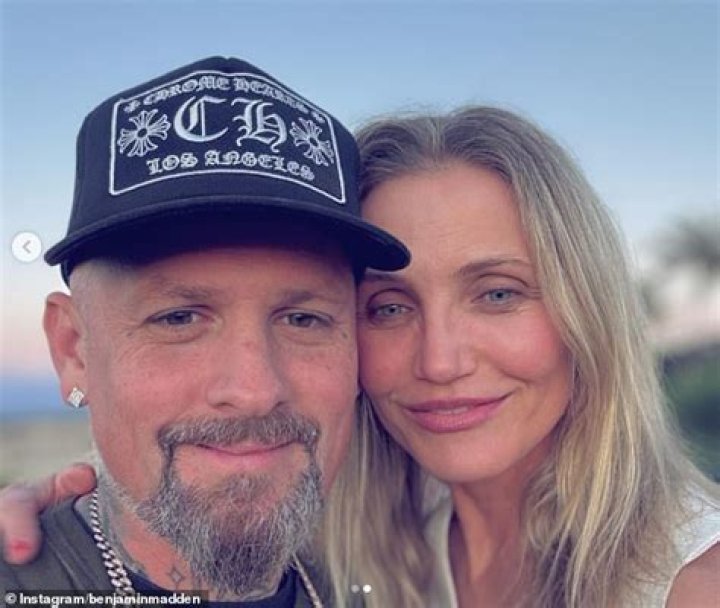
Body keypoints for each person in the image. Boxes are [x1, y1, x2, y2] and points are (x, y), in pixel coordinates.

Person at [3, 107, 720, 607]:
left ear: (589, 312)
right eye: (389, 307)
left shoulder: (691, 583)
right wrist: (86, 508)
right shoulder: (366, 524)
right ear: (73, 348)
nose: (440, 361)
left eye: (498, 294)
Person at [0, 55, 410, 607]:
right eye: (179, 318)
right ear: (73, 350)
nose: (254, 391)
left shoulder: (385, 584)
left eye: (303, 319)